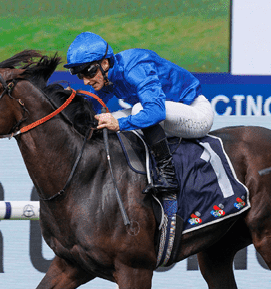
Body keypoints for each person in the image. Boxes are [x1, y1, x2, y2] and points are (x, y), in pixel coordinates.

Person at [64, 32, 215, 202]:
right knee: (105, 120)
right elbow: (88, 109)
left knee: (137, 110)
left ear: (105, 63)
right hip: (169, 116)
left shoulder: (135, 67)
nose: (85, 81)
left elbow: (156, 111)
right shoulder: (106, 77)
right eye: (80, 75)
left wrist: (119, 124)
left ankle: (169, 177)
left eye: (88, 73)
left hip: (196, 112)